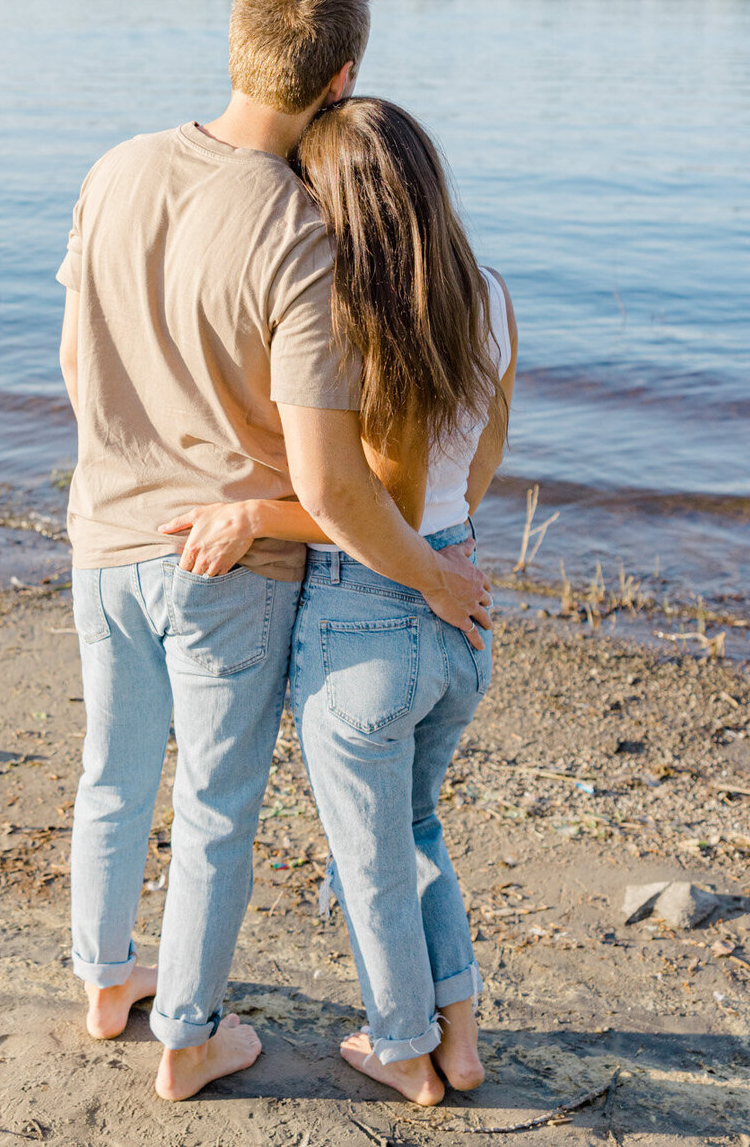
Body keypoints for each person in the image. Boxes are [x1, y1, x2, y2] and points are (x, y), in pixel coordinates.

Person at [56, 0, 492, 1102]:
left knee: (112, 771)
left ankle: (107, 978)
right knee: (214, 806)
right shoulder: (301, 223)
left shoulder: (117, 166)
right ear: (342, 74)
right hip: (228, 562)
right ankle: (187, 1034)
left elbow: (77, 360)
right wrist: (437, 582)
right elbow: (339, 485)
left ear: (236, 38)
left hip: (101, 535)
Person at [163, 96, 516, 1105]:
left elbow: (369, 505)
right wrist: (443, 561)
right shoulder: (491, 296)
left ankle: (404, 1048)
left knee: (372, 857)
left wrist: (256, 517)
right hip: (458, 595)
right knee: (413, 830)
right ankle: (460, 1039)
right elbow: (473, 468)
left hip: (376, 609)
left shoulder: (358, 317)